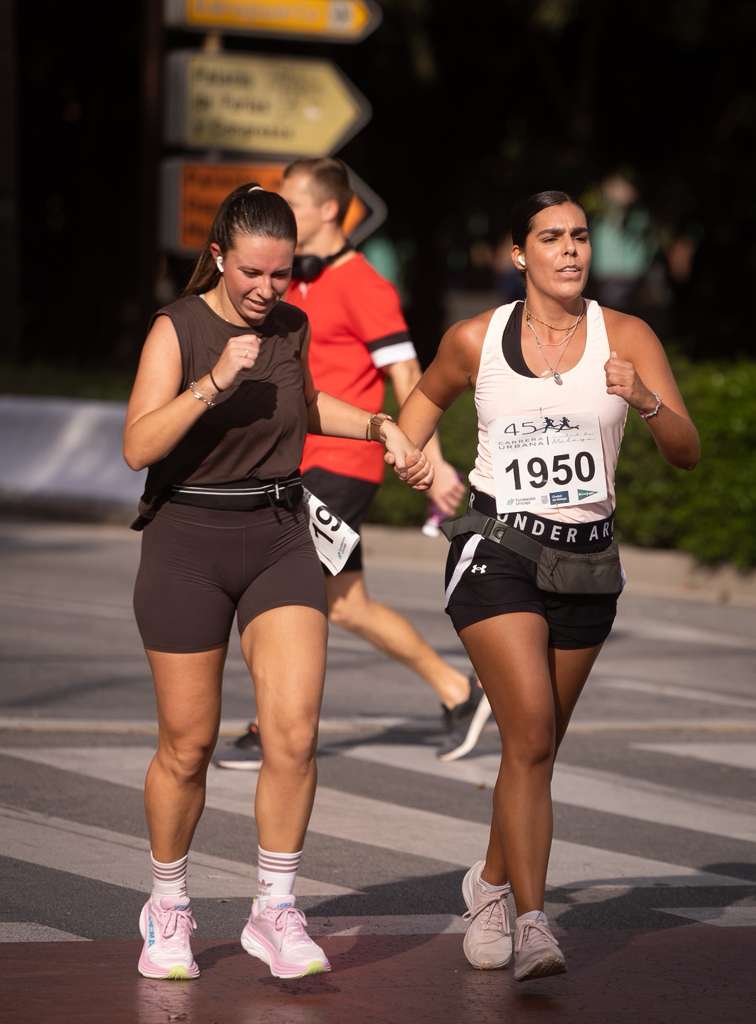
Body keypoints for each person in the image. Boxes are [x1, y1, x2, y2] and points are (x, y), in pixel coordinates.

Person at [123, 183, 432, 982]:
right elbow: (137, 445)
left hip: (279, 535)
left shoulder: (292, 325)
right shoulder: (178, 327)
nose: (268, 291)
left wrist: (377, 424)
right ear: (220, 257)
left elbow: (304, 403)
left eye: (282, 275)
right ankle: (167, 907)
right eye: (253, 274)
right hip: (186, 541)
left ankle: (275, 911)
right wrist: (213, 382)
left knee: (293, 732)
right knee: (187, 747)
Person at [395, 190, 700, 981]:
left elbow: (686, 450)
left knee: (538, 750)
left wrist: (645, 398)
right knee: (528, 734)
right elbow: (414, 414)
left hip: (590, 563)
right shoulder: (476, 340)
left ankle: (491, 884)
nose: (570, 250)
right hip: (499, 553)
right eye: (551, 238)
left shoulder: (626, 335)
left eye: (581, 237)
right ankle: (535, 924)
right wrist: (429, 475)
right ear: (518, 253)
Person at [213, 158, 490, 771]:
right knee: (345, 603)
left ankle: (271, 726)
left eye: (292, 201)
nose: (281, 210)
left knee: (275, 588)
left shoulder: (364, 284)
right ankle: (457, 691)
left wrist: (429, 463)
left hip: (340, 464)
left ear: (329, 210)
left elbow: (408, 376)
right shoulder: (291, 282)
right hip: (295, 460)